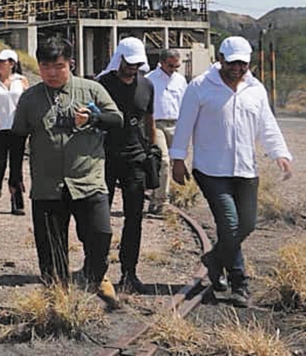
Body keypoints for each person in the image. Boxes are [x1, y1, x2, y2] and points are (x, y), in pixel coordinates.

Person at [170, 36, 293, 307]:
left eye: (243, 63)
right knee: (230, 224)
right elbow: (184, 124)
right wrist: (177, 159)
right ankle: (240, 283)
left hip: (246, 169)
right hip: (211, 169)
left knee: (247, 224)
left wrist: (280, 153)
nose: (237, 68)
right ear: (221, 59)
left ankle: (214, 261)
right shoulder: (200, 86)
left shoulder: (255, 89)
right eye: (233, 62)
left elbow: (267, 125)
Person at [11, 38, 123, 302]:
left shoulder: (91, 89)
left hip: (88, 180)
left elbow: (116, 119)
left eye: (58, 66)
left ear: (70, 63)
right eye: (46, 66)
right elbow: (17, 138)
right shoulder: (30, 98)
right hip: (47, 186)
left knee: (100, 234)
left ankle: (96, 276)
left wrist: (94, 118)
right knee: (51, 250)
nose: (52, 73)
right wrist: (14, 177)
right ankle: (58, 302)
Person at [96, 37, 156, 294]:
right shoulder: (102, 85)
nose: (132, 69)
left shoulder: (147, 86)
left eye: (137, 65)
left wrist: (152, 150)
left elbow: (149, 119)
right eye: (129, 63)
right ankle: (97, 269)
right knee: (100, 218)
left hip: (135, 159)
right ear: (119, 58)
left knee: (135, 218)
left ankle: (129, 272)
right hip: (105, 158)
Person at [0, 49, 30, 215]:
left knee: (16, 165)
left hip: (17, 128)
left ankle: (16, 199)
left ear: (12, 63)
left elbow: (27, 104)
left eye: (2, 61)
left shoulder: (21, 81)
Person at [145, 48, 187, 215]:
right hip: (157, 125)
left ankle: (156, 197)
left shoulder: (181, 80)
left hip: (177, 123)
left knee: (176, 162)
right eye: (170, 66)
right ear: (161, 63)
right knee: (162, 161)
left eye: (177, 66)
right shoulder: (149, 80)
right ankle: (162, 203)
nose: (173, 69)